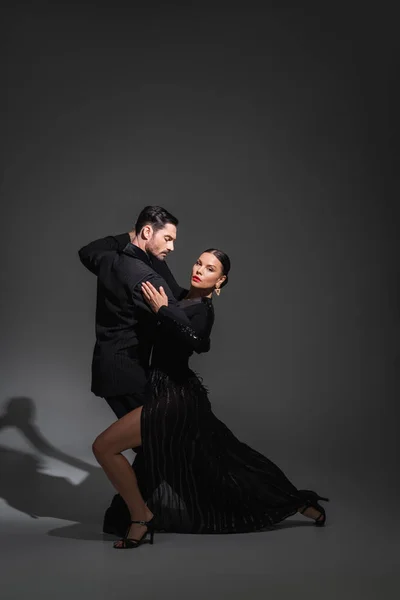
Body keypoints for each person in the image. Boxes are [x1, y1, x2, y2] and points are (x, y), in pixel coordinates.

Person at [92, 248, 329, 549]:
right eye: (199, 263)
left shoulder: (202, 309)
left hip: (175, 399)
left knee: (104, 447)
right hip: (168, 393)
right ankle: (296, 503)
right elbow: (152, 259)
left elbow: (199, 342)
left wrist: (162, 311)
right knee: (223, 462)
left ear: (220, 280)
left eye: (210, 269)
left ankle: (142, 517)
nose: (200, 270)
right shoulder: (180, 295)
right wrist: (136, 239)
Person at [78, 205, 206, 535]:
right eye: (168, 238)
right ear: (148, 232)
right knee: (159, 442)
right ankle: (139, 513)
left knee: (153, 445)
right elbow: (172, 319)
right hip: (128, 370)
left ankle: (127, 514)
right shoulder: (142, 275)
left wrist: (133, 236)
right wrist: (201, 303)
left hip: (111, 366)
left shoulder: (111, 258)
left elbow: (87, 251)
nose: (173, 247)